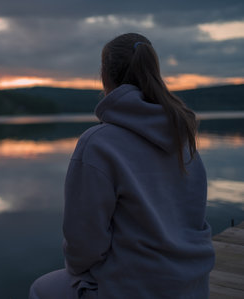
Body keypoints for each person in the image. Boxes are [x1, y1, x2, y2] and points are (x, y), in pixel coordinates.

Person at [29, 33, 215, 299]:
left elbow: (84, 246)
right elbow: (194, 219)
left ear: (106, 75)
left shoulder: (98, 144)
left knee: (40, 289)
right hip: (192, 284)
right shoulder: (183, 138)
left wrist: (79, 270)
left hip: (133, 287)